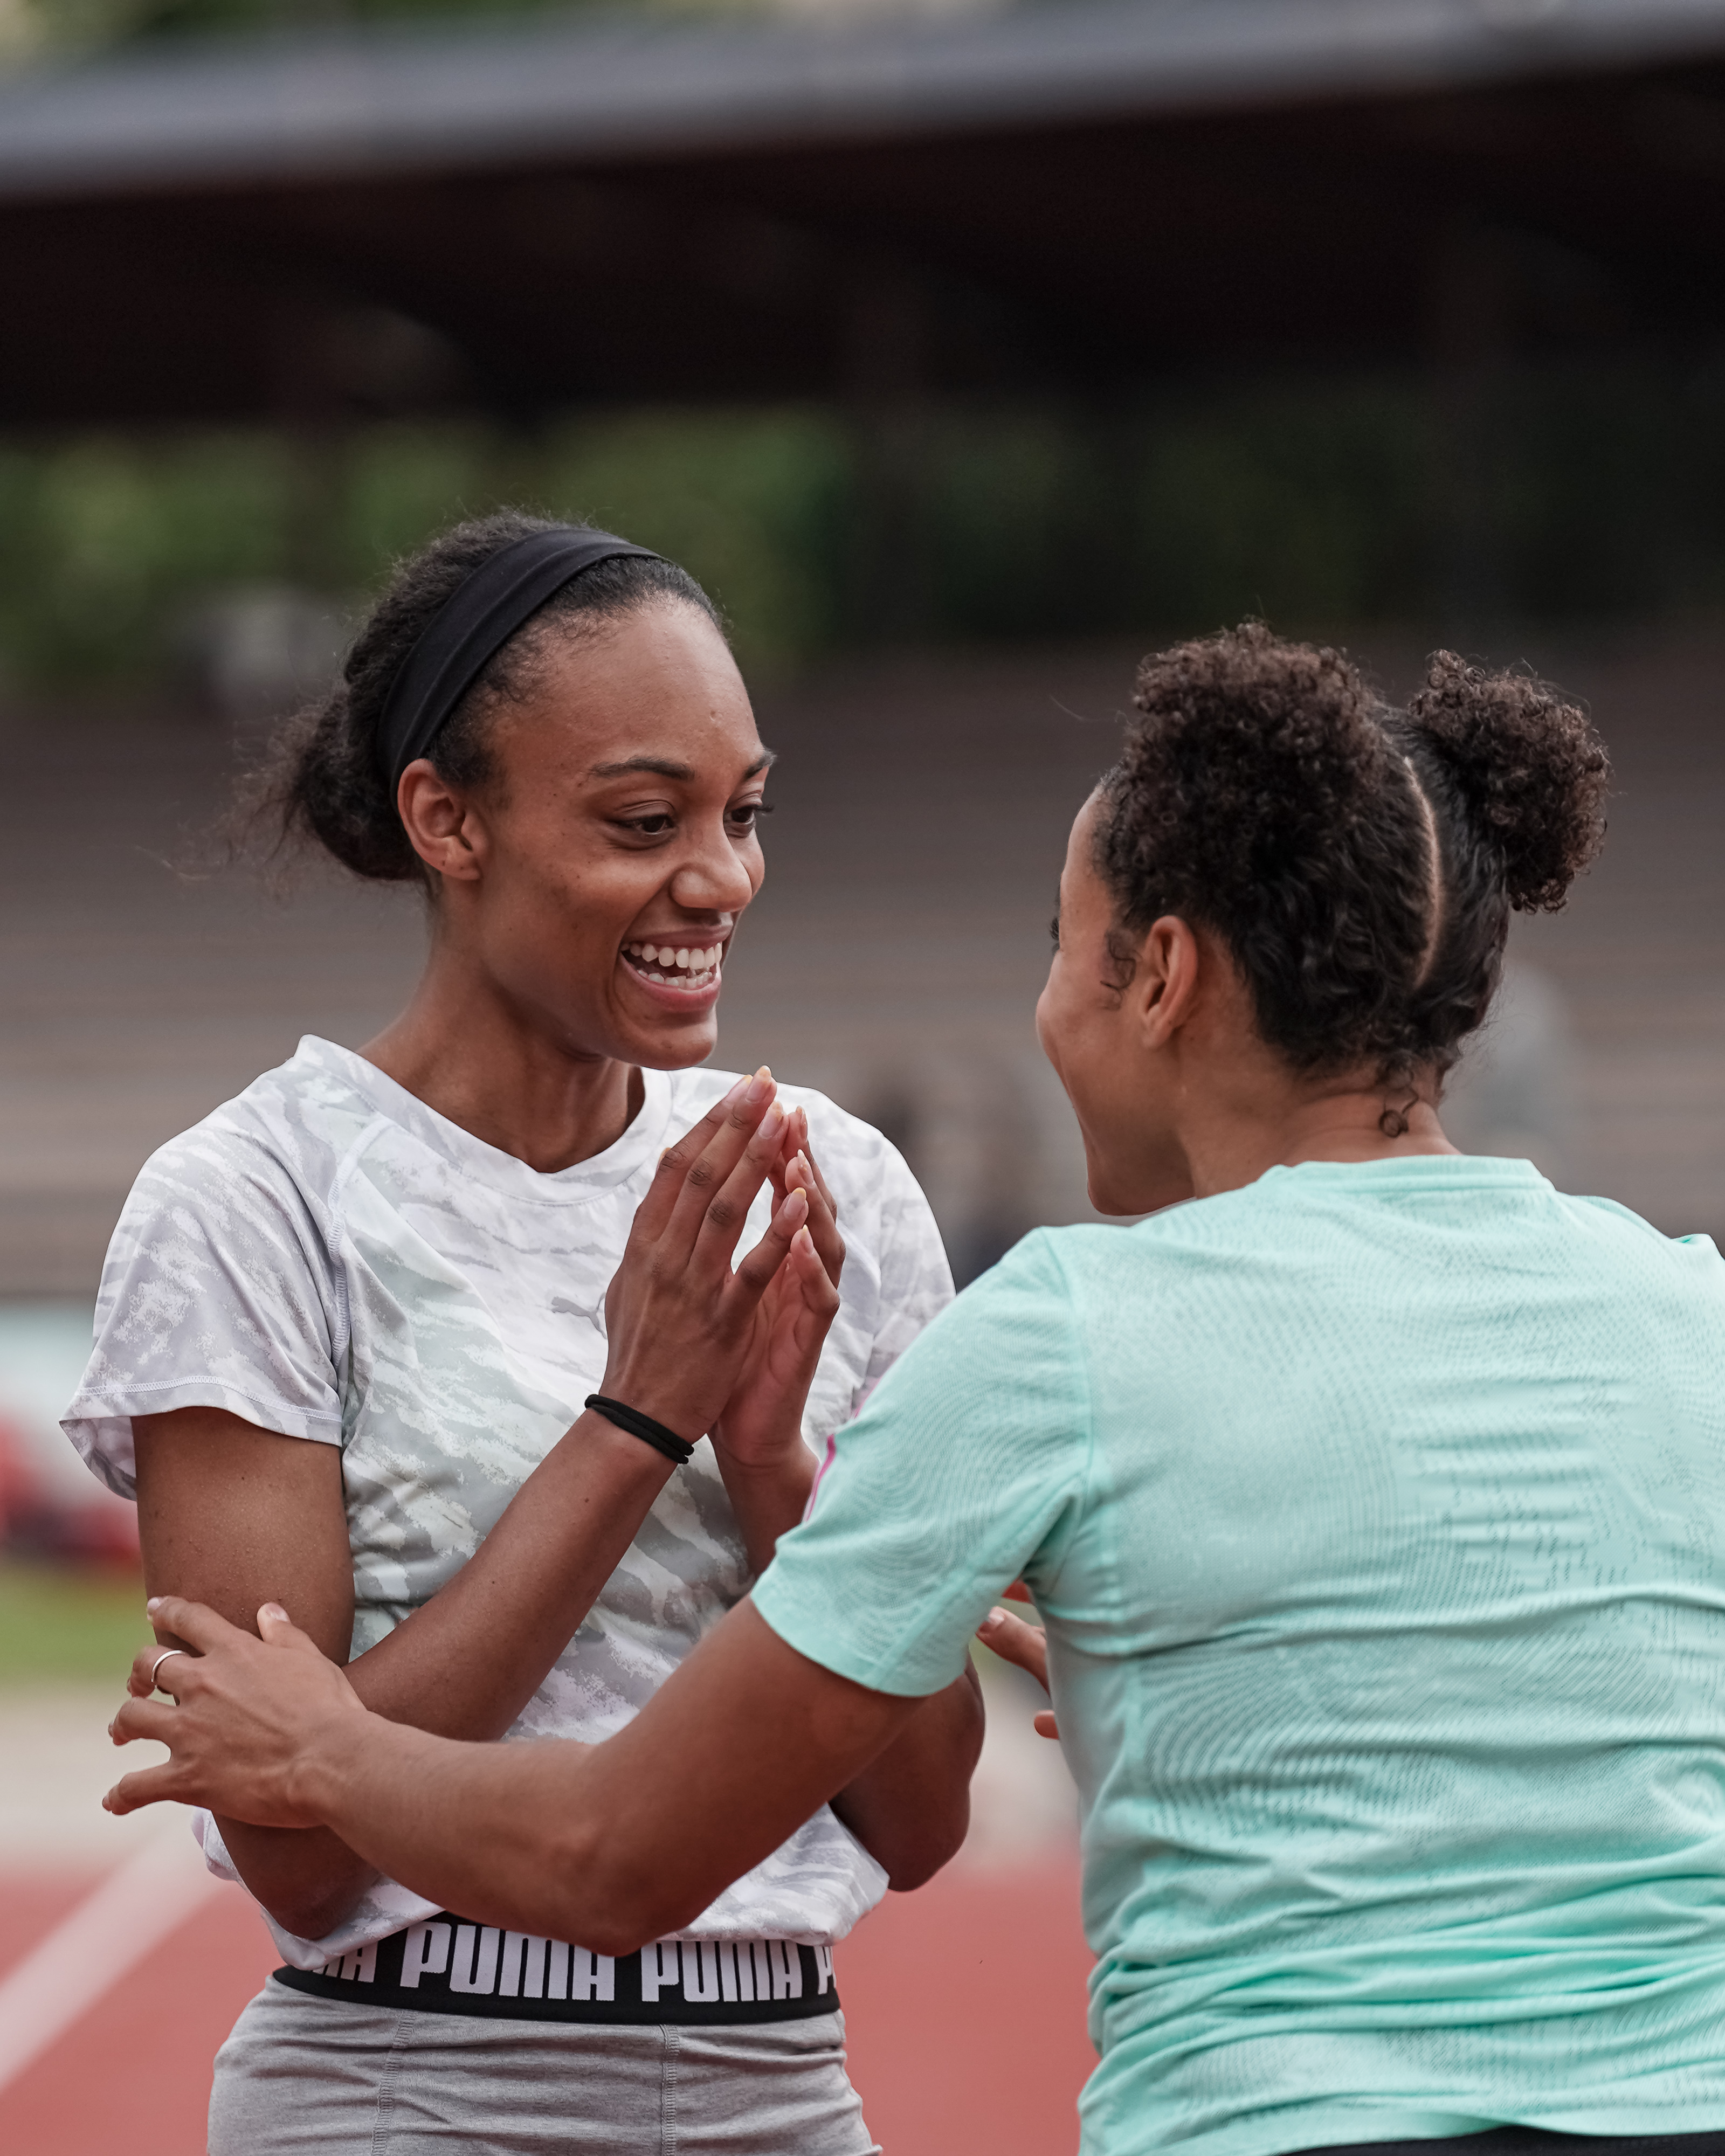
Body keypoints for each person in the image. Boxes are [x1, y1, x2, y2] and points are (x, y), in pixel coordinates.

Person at [117, 625, 1725, 2156]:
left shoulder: (1067, 1336)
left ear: (1161, 976)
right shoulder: (1691, 1306)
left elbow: (616, 1857)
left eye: (1059, 946)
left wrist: (321, 1749)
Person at [67, 513, 982, 2156]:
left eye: (744, 814)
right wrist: (633, 1424)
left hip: (782, 2088)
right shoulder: (254, 1202)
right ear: (448, 818)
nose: (721, 879)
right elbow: (299, 1849)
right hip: (406, 2088)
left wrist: (771, 1465)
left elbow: (918, 1819)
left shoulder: (827, 1184)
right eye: (644, 820)